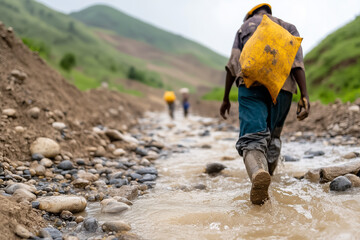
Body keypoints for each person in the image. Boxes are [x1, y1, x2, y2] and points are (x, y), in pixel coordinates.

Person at [219, 3, 310, 205]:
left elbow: (233, 64)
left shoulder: (245, 27)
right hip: (284, 89)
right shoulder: (288, 27)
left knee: (253, 137)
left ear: (251, 14)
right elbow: (297, 63)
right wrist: (304, 95)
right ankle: (268, 180)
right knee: (273, 137)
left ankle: (258, 174)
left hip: (251, 86)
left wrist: (226, 98)